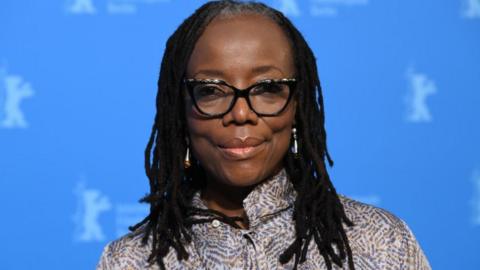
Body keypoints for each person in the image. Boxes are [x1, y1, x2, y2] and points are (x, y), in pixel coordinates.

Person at [97, 1, 431, 269]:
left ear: (297, 107)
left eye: (267, 88)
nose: (240, 113)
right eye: (211, 90)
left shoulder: (382, 241)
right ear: (180, 113)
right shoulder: (130, 261)